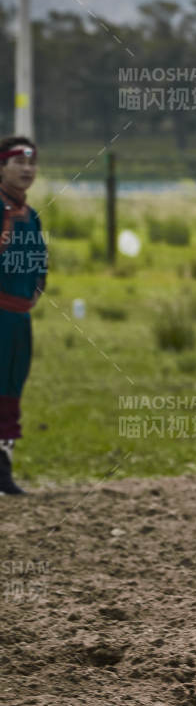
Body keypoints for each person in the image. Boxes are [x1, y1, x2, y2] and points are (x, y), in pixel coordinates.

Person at [0, 136, 44, 496]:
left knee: (11, 390)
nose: (27, 169)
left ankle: (3, 472)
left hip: (19, 319)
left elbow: (39, 266)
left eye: (32, 163)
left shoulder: (32, 216)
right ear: (2, 167)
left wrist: (35, 290)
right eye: (19, 162)